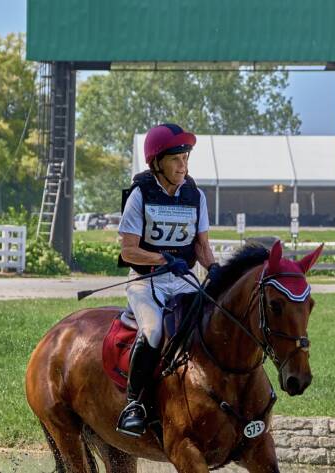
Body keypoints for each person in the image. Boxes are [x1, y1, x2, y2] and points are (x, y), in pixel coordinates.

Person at [115, 123, 221, 438]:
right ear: (157, 161)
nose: (183, 166)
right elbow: (129, 251)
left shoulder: (195, 195)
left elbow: (201, 245)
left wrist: (213, 267)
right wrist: (162, 259)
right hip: (145, 282)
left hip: (183, 280)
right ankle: (133, 403)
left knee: (209, 325)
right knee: (153, 330)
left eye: (186, 158)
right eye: (176, 159)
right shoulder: (140, 195)